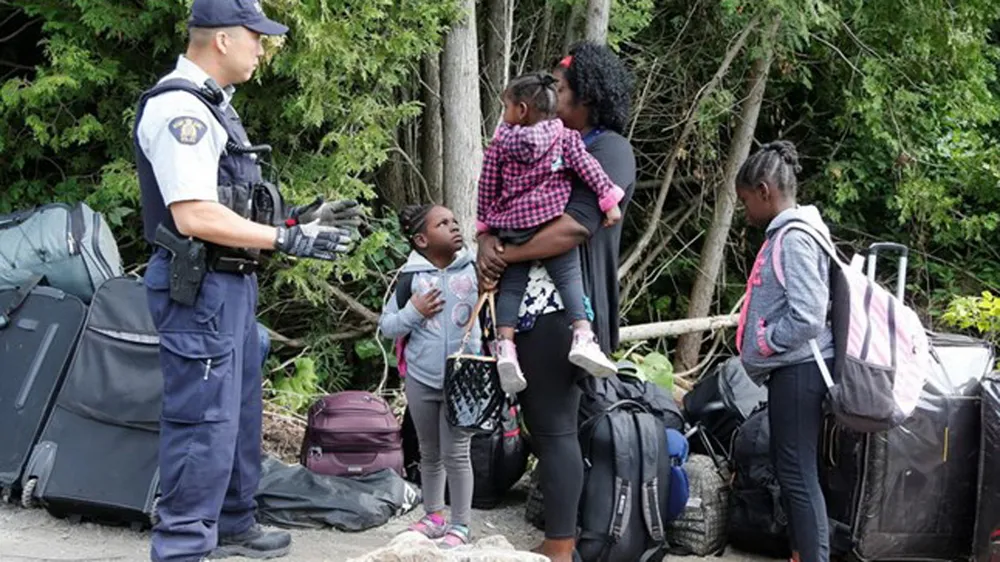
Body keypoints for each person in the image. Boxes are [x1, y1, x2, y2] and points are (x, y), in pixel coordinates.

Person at [134, 1, 360, 560]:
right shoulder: (180, 111)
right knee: (202, 421)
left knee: (236, 414)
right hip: (200, 289)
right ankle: (183, 545)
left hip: (229, 285)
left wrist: (297, 223)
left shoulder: (214, 109)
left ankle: (233, 521)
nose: (263, 48)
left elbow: (229, 205)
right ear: (223, 40)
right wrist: (287, 242)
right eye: (256, 37)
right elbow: (193, 216)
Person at [477, 42, 636, 562]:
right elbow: (496, 202)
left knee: (557, 429)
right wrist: (486, 243)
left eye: (563, 90)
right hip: (528, 305)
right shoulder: (538, 143)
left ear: (586, 97)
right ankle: (569, 537)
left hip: (563, 310)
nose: (554, 96)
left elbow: (576, 226)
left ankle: (562, 547)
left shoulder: (608, 149)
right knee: (548, 428)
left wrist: (506, 250)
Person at [477, 71, 624, 395]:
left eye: (505, 106)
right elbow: (589, 170)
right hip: (548, 219)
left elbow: (487, 186)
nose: (503, 113)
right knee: (569, 278)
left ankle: (505, 347)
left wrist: (485, 228)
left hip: (511, 227)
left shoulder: (500, 144)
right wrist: (609, 200)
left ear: (522, 110)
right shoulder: (565, 138)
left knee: (512, 287)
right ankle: (583, 335)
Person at [734, 141, 833, 562]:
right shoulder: (791, 232)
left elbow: (809, 315)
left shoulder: (793, 238)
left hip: (800, 370)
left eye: (744, 201)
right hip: (792, 370)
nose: (745, 211)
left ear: (764, 190)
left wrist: (764, 341)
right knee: (791, 470)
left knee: (797, 475)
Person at [379, 204, 479, 548]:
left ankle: (461, 524)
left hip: (464, 380)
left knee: (458, 452)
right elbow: (388, 325)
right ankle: (434, 515)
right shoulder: (411, 277)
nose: (454, 227)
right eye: (443, 223)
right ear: (422, 239)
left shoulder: (476, 269)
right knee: (429, 450)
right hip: (421, 378)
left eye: (454, 220)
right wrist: (413, 311)